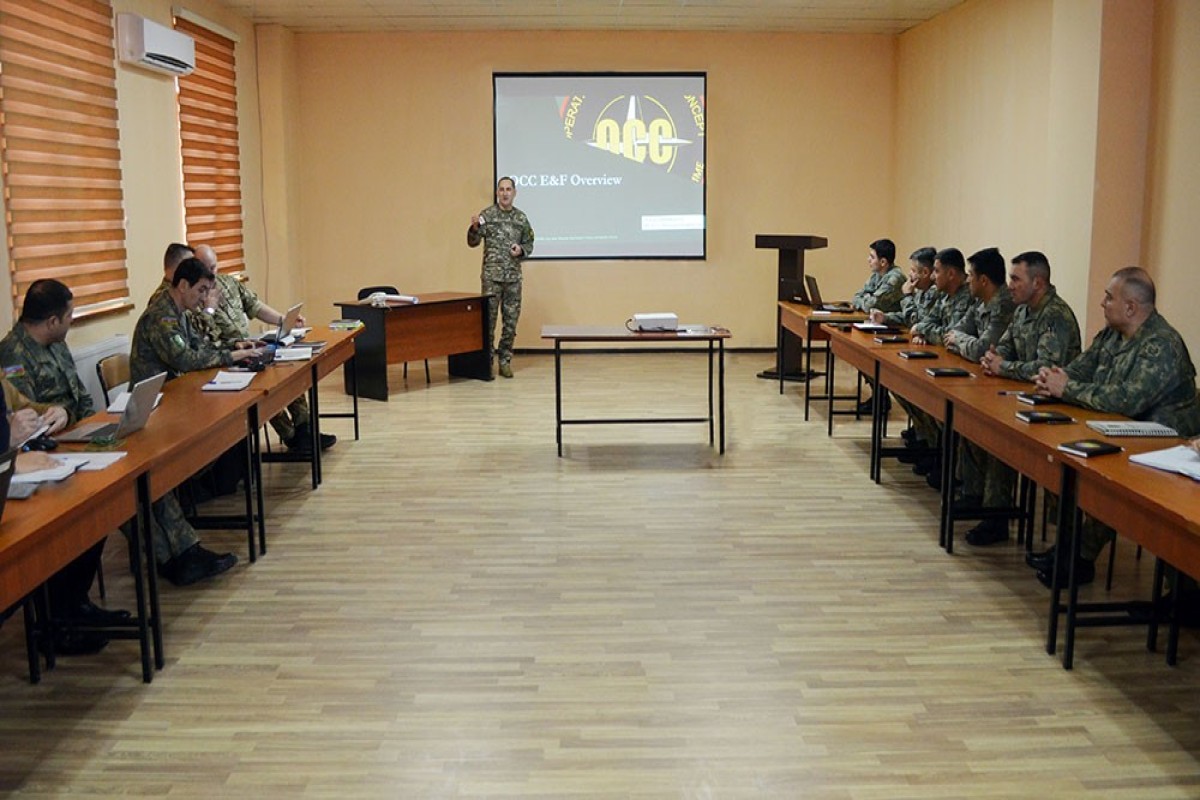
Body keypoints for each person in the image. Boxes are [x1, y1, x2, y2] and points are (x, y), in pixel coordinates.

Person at [1030, 266, 1200, 586]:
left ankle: (1080, 556)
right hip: (1123, 432)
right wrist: (1053, 379)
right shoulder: (1111, 334)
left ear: (1131, 307)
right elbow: (1078, 370)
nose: (1102, 303)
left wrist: (1065, 388)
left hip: (1167, 446)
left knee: (1101, 480)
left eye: (1109, 297)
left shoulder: (1162, 343)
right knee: (1058, 457)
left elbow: (1126, 400)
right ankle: (1070, 549)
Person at [131, 258, 262, 585]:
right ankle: (180, 555)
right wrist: (233, 356)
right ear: (183, 285)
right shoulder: (161, 316)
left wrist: (234, 346)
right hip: (158, 412)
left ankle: (183, 550)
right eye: (201, 290)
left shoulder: (181, 313)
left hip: (179, 400)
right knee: (157, 477)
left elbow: (199, 347)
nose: (205, 297)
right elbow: (186, 359)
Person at [960, 252, 1082, 546]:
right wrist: (994, 360)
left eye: (1016, 279)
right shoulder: (1023, 310)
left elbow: (1046, 368)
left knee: (1001, 438)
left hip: (1058, 407)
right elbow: (1002, 349)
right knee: (978, 425)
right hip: (1023, 395)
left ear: (1038, 282)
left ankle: (1001, 519)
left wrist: (1004, 366)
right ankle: (988, 507)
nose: (1010, 285)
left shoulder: (1055, 316)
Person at [192, 244, 334, 452]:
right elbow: (204, 338)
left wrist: (283, 320)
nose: (211, 274)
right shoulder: (195, 297)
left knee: (287, 370)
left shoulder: (228, 283)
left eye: (213, 267)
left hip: (250, 347)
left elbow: (255, 306)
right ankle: (291, 436)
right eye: (206, 268)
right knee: (266, 388)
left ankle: (305, 428)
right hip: (225, 358)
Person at [906, 248, 975, 486]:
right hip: (945, 362)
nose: (934, 277)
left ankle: (950, 468)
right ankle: (935, 454)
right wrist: (927, 330)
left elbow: (950, 335)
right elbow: (927, 322)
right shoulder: (945, 295)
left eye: (937, 271)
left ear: (952, 274)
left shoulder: (968, 298)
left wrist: (927, 332)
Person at [467, 176, 534, 379]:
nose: (505, 193)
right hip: (491, 277)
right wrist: (474, 229)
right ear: (497, 193)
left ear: (514, 193)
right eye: (501, 189)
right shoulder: (487, 215)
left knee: (510, 323)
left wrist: (520, 250)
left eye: (508, 189)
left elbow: (529, 243)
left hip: (513, 278)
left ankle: (505, 360)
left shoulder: (521, 219)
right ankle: (487, 362)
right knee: (488, 322)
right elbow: (473, 242)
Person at [944, 247, 1015, 362]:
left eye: (971, 275)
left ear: (983, 280)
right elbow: (951, 333)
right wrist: (966, 344)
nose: (968, 280)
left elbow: (982, 352)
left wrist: (957, 340)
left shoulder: (1005, 306)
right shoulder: (980, 301)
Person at [869, 246, 939, 329]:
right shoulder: (921, 290)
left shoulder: (934, 292)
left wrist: (907, 296)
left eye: (913, 270)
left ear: (925, 272)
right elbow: (906, 316)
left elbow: (914, 321)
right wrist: (885, 317)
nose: (909, 274)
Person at [851, 239, 905, 313]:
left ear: (883, 262)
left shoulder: (894, 278)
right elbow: (856, 297)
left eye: (872, 257)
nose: (868, 259)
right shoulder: (877, 275)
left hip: (895, 323)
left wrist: (865, 298)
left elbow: (870, 306)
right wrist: (867, 298)